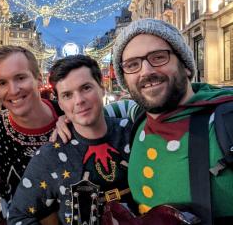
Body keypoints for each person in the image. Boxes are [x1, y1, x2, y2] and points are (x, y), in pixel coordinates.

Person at [56, 18, 233, 222]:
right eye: (133, 65)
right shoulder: (137, 113)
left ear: (185, 65)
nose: (146, 71)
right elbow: (99, 112)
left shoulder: (224, 121)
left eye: (158, 57)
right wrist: (68, 118)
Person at [8, 55, 134, 224]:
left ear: (102, 88)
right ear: (59, 103)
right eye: (67, 95)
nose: (79, 101)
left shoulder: (134, 132)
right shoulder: (51, 155)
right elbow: (18, 216)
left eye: (86, 88)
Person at [0, 45, 64, 223]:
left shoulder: (70, 117)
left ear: (38, 79)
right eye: (2, 83)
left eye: (20, 78)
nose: (13, 90)